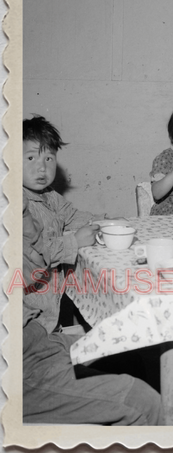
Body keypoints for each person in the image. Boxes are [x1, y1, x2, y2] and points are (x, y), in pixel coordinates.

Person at [22, 193, 164, 425]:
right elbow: (32, 265)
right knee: (142, 402)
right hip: (19, 363)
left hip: (36, 335)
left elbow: (37, 248)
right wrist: (69, 242)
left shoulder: (36, 201)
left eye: (24, 212)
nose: (32, 230)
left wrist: (104, 220)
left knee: (129, 358)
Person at [23, 115, 102, 331]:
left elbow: (72, 214)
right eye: (31, 158)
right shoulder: (16, 206)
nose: (42, 168)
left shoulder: (50, 195)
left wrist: (106, 221)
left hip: (49, 308)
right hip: (27, 315)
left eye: (48, 159)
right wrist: (74, 242)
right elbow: (32, 254)